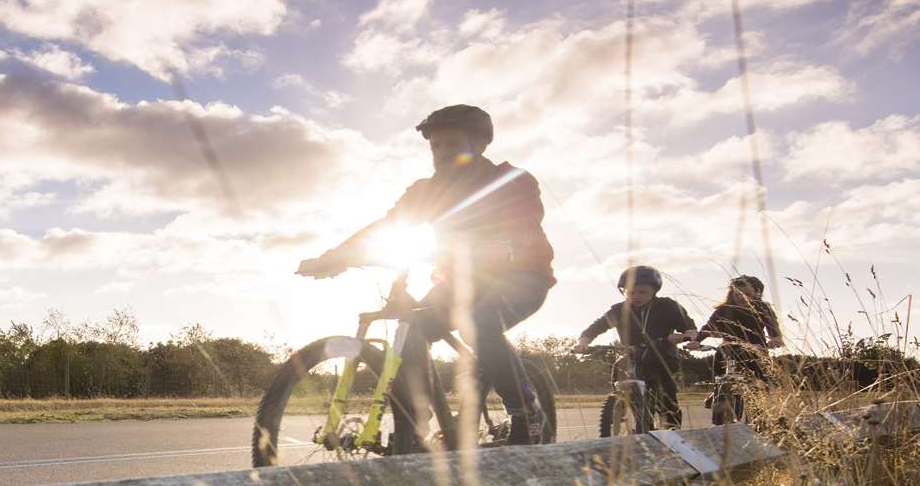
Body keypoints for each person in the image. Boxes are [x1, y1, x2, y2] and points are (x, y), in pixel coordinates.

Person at [296, 104, 554, 451]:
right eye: (436, 146)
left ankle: (527, 412)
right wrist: (333, 258)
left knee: (477, 322)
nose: (443, 153)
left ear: (480, 144)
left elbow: (520, 226)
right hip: (459, 283)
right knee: (413, 327)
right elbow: (385, 226)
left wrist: (502, 246)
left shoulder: (511, 180)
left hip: (520, 278)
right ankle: (416, 425)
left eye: (453, 144)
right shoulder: (426, 190)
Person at [575, 265, 694, 428]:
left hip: (662, 355)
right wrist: (583, 342)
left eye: (642, 292)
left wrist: (685, 336)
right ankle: (622, 401)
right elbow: (596, 327)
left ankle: (672, 430)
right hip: (632, 356)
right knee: (620, 367)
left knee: (667, 394)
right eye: (630, 292)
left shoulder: (668, 306)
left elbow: (690, 328)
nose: (636, 296)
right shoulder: (618, 310)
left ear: (654, 290)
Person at [692, 275, 782, 382]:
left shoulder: (762, 308)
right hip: (729, 350)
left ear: (757, 293)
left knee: (763, 380)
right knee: (720, 366)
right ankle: (720, 393)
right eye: (737, 294)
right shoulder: (724, 310)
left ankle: (763, 390)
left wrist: (775, 339)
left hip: (756, 350)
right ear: (732, 294)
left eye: (747, 294)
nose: (742, 298)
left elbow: (772, 326)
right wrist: (696, 341)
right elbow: (709, 327)